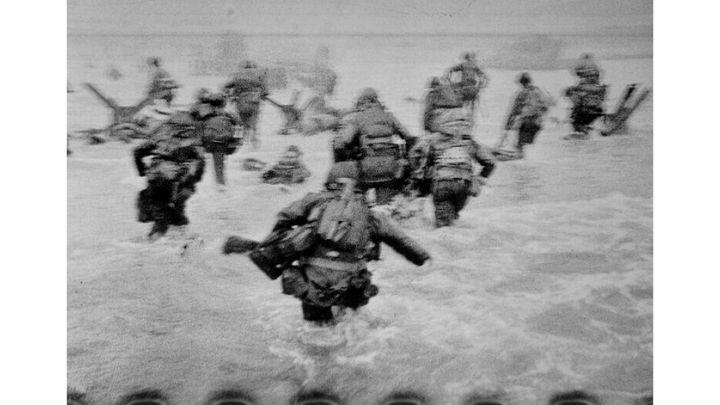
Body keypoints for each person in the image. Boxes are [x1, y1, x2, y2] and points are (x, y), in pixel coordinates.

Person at [253, 162, 430, 324]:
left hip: (312, 283)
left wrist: (281, 243)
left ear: (330, 180)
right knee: (349, 324)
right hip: (351, 284)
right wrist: (423, 259)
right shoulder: (370, 214)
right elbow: (401, 241)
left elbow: (284, 217)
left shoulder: (313, 201)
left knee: (317, 329)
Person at [410, 109, 496, 227]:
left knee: (443, 226)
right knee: (453, 220)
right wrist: (481, 178)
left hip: (442, 183)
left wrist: (419, 171)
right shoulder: (470, 142)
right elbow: (490, 163)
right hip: (464, 185)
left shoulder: (432, 139)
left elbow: (415, 153)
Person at [333, 88, 418, 204]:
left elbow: (343, 143)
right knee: (384, 206)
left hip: (366, 170)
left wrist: (345, 160)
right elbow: (409, 138)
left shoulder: (358, 117)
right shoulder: (389, 116)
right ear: (377, 101)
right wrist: (404, 159)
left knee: (358, 201)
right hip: (390, 170)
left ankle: (360, 207)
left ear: (362, 103)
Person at [133, 111, 205, 238]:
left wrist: (142, 171)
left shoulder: (159, 138)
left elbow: (137, 152)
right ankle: (184, 238)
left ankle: (157, 239)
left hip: (158, 181)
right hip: (183, 184)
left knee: (159, 211)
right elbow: (200, 164)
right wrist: (193, 181)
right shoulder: (194, 143)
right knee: (177, 211)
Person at [191, 89, 240, 186]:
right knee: (219, 167)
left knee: (196, 161)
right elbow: (238, 127)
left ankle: (194, 181)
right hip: (222, 144)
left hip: (206, 143)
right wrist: (235, 142)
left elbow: (196, 127)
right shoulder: (230, 115)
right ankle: (221, 184)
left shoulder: (203, 114)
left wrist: (198, 143)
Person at [499, 73, 552, 158]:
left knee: (520, 146)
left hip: (527, 122)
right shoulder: (539, 92)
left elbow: (513, 111)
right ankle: (528, 161)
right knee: (528, 145)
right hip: (538, 123)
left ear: (521, 83)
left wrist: (507, 127)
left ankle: (520, 160)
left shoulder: (522, 94)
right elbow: (546, 107)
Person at [223, 61, 269, 148]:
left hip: (241, 101)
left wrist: (229, 96)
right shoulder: (258, 75)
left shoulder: (238, 75)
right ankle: (254, 138)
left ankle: (239, 139)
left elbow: (226, 87)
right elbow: (265, 90)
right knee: (254, 121)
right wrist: (262, 94)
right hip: (254, 102)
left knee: (240, 121)